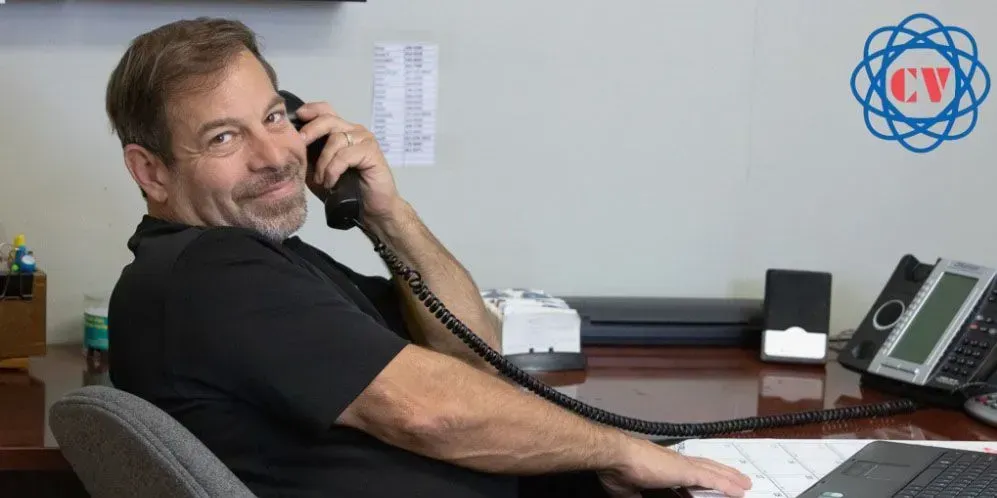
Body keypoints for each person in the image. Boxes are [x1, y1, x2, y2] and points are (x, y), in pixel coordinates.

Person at [104, 17, 753, 498]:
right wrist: (620, 451)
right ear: (151, 170)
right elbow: (431, 409)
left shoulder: (272, 264)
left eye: (275, 118)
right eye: (224, 137)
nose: (273, 156)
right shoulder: (209, 275)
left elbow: (472, 350)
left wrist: (387, 213)